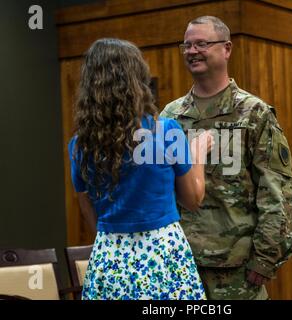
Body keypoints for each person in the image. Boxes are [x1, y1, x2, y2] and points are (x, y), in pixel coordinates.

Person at [160, 16, 292, 300]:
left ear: (227, 49)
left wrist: (265, 258)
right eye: (186, 45)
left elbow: (277, 194)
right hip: (182, 268)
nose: (192, 51)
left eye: (201, 43)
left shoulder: (253, 114)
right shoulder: (169, 117)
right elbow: (159, 190)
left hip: (237, 272)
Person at [68, 38, 214, 300]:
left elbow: (90, 213)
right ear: (137, 81)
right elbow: (193, 199)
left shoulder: (79, 146)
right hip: (163, 257)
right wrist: (198, 152)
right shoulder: (166, 131)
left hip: (109, 258)